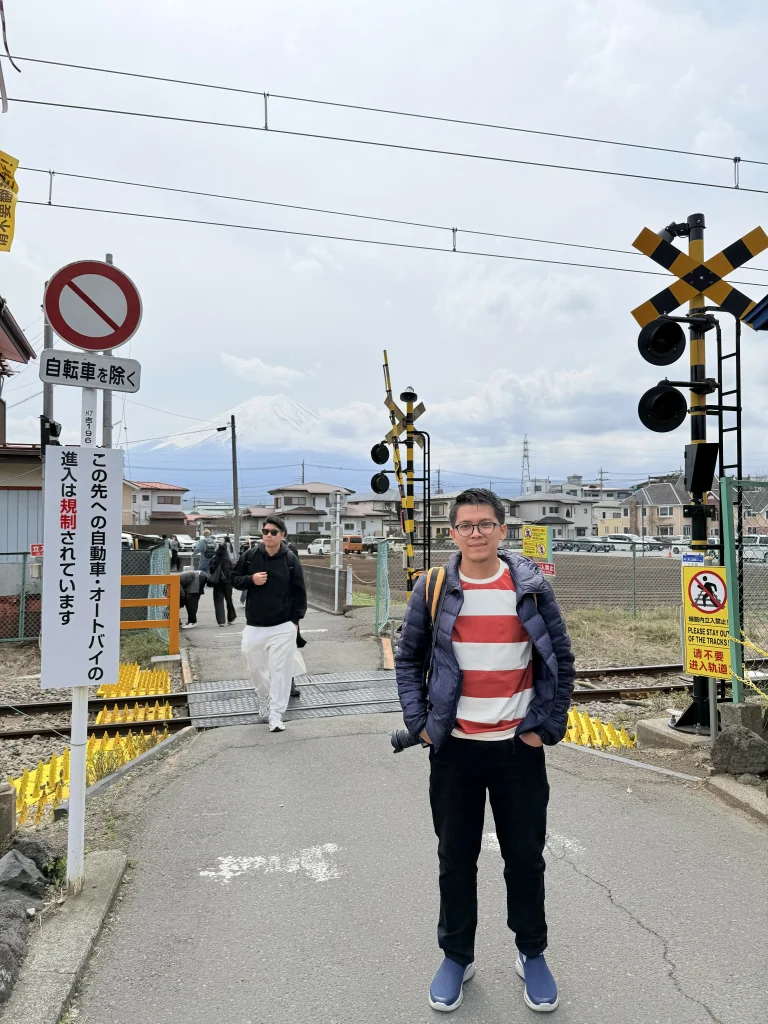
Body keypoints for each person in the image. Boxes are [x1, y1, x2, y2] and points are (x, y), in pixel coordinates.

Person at [396, 488, 574, 1014]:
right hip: (455, 750)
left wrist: (549, 727)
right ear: (452, 533)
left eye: (485, 523)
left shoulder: (531, 588)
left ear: (502, 529)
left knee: (525, 857)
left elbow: (560, 657)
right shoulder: (433, 588)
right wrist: (420, 725)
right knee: (455, 858)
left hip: (518, 747)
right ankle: (457, 955)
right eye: (466, 525)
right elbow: (407, 660)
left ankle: (531, 952)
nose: (476, 532)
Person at [232, 515, 307, 733]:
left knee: (280, 671)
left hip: (283, 625)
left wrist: (295, 622)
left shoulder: (290, 559)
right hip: (255, 624)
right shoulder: (251, 555)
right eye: (265, 532)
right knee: (254, 666)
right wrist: (250, 580)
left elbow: (300, 592)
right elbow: (234, 578)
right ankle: (263, 696)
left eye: (273, 532)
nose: (268, 536)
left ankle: (276, 714)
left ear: (282, 535)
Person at [208, 542, 237, 627]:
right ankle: (231, 618)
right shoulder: (229, 560)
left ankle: (221, 621)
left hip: (217, 583)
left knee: (218, 601)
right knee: (229, 600)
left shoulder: (214, 560)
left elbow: (211, 570)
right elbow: (234, 570)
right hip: (228, 583)